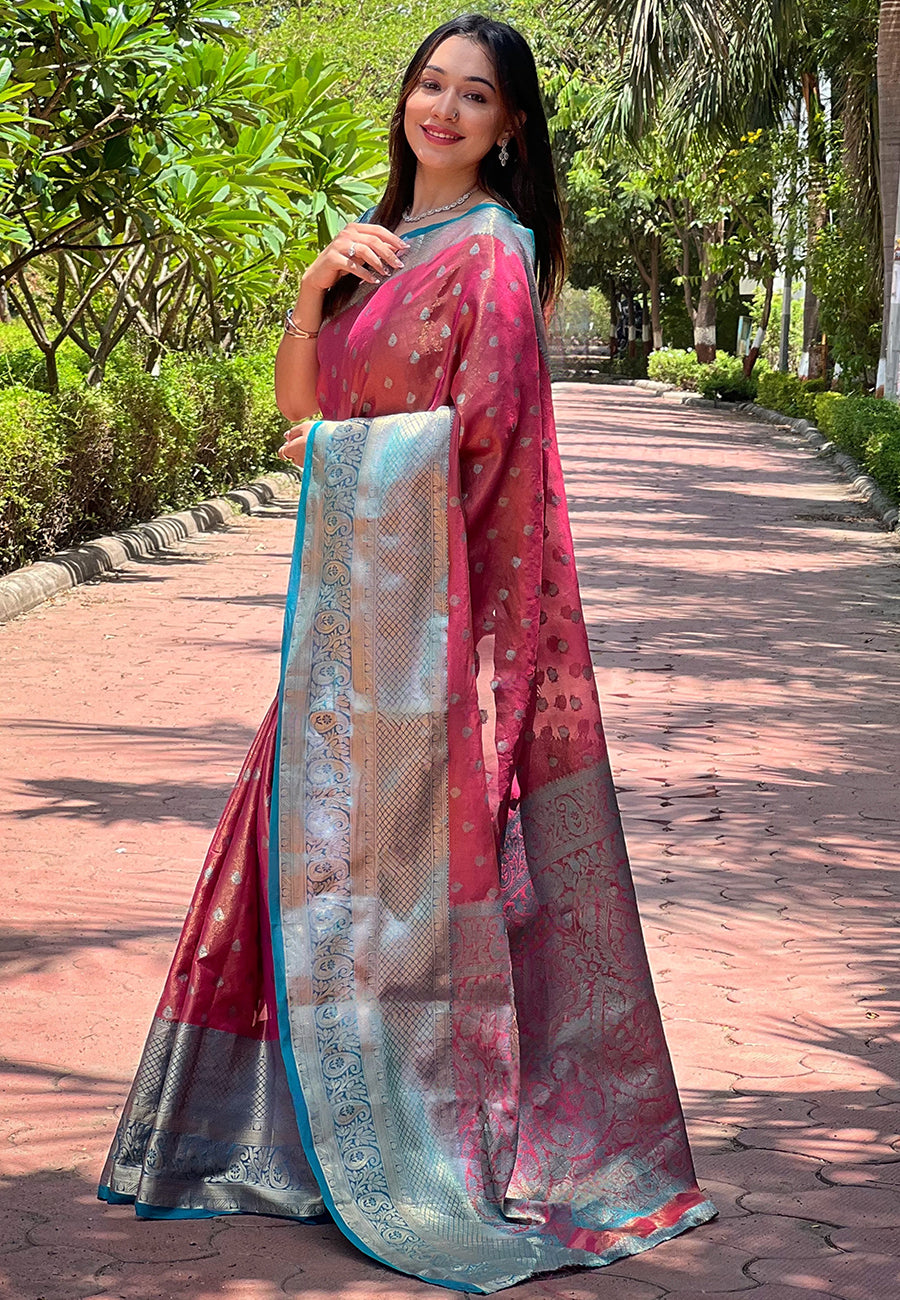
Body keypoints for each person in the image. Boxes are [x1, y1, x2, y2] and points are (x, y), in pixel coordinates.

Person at [99, 15, 716, 1293]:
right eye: (429, 84)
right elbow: (299, 408)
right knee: (309, 867)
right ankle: (294, 1141)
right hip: (348, 626)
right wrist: (313, 289)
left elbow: (483, 442)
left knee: (394, 885)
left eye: (473, 95)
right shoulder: (384, 244)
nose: (441, 107)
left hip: (422, 627)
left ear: (510, 125)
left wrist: (341, 460)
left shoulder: (491, 252)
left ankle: (418, 1145)